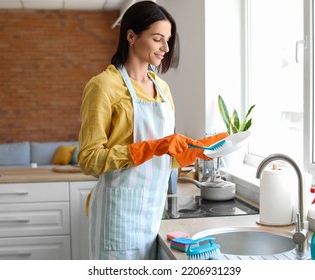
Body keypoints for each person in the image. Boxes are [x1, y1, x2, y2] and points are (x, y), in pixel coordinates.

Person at [78, 1, 228, 260]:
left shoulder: (162, 88)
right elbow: (89, 160)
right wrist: (151, 147)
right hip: (117, 216)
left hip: (151, 213)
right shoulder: (103, 86)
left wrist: (196, 152)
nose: (166, 48)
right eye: (158, 39)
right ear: (131, 36)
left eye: (168, 40)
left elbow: (163, 157)